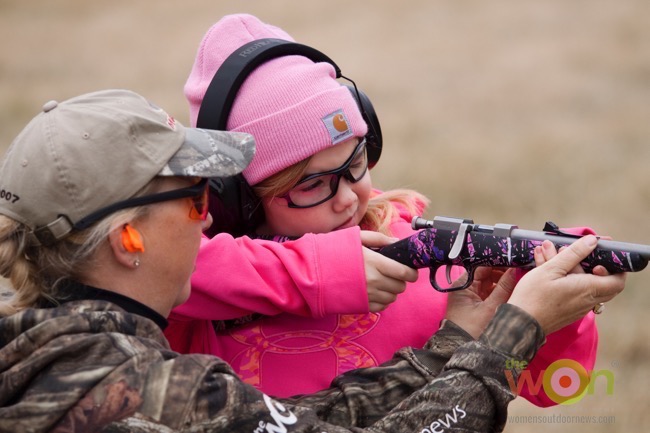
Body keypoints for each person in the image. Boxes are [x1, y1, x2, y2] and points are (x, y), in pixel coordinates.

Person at [0, 88, 626, 433]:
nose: (212, 219)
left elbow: (312, 421)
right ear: (126, 241)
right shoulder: (133, 392)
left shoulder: (89, 360)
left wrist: (458, 337)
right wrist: (512, 339)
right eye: (195, 200)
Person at [166, 13, 603, 405]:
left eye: (355, 164)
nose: (348, 198)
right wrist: (325, 273)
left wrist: (547, 316)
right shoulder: (195, 280)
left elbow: (550, 387)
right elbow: (150, 261)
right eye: (311, 185)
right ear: (237, 197)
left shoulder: (418, 257)